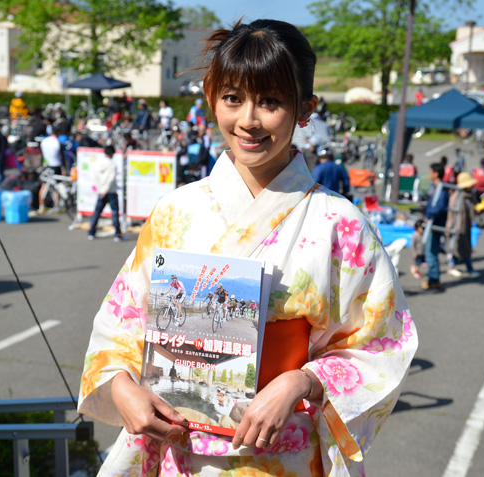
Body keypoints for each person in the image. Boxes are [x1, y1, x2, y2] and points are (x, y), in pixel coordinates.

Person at [77, 19, 416, 476]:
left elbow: (380, 344)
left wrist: (302, 381)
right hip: (180, 450)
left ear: (306, 109)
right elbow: (121, 326)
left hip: (280, 455)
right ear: (212, 97)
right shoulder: (176, 210)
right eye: (233, 98)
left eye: (271, 101)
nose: (248, 120)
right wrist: (121, 385)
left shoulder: (341, 223)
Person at [88, 145, 125, 242]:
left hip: (101, 192)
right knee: (115, 213)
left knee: (97, 212)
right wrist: (105, 190)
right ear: (112, 153)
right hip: (110, 192)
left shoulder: (98, 163)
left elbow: (95, 176)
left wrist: (100, 189)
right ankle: (117, 234)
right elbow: (111, 179)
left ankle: (92, 232)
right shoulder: (112, 164)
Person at [446, 173, 480, 278]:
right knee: (460, 249)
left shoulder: (468, 196)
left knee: (462, 249)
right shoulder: (457, 196)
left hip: (466, 227)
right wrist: (449, 227)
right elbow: (452, 214)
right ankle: (468, 269)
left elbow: (471, 211)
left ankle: (453, 266)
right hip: (458, 227)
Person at [422, 162, 449, 290]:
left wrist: (429, 214)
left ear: (436, 173)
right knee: (430, 251)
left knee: (431, 252)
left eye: (431, 171)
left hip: (435, 224)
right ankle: (433, 278)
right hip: (431, 223)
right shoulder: (435, 186)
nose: (429, 174)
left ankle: (434, 280)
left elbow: (439, 207)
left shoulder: (441, 189)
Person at [38, 124, 64, 213]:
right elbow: (62, 156)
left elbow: (41, 155)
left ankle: (41, 206)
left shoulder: (44, 141)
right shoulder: (58, 142)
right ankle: (57, 206)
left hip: (46, 165)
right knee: (57, 187)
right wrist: (64, 168)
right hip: (56, 165)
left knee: (44, 186)